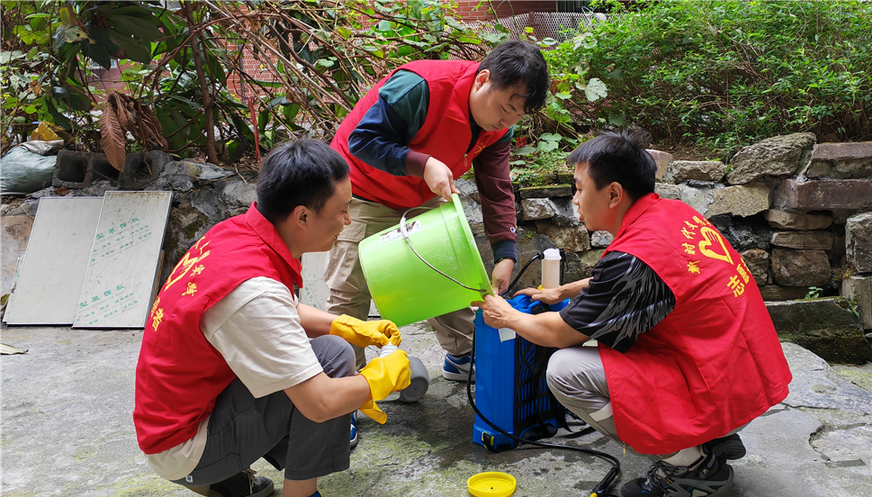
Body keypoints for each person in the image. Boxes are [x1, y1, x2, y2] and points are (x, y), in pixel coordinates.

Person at [476, 130, 792, 497]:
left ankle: (690, 467)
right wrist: (564, 290)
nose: (575, 200)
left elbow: (561, 333)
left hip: (713, 381)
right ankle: (711, 438)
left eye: (579, 188)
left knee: (565, 371)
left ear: (612, 193)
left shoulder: (635, 257)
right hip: (740, 369)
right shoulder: (672, 213)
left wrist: (505, 314)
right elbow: (653, 278)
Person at [133, 140, 413, 497]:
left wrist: (343, 324)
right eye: (343, 210)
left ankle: (227, 482)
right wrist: (379, 378)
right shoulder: (253, 292)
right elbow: (321, 401)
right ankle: (296, 492)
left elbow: (275, 311)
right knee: (331, 362)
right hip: (186, 448)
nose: (348, 220)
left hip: (176, 418)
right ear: (302, 216)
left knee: (331, 345)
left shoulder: (235, 234)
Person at [327, 40, 550, 381]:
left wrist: (505, 251)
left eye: (517, 115)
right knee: (350, 287)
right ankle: (342, 383)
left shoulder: (499, 128)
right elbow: (363, 140)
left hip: (422, 190)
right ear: (483, 79)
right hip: (362, 187)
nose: (507, 120)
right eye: (505, 108)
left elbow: (497, 187)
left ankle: (463, 356)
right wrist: (423, 163)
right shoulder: (421, 87)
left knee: (449, 269)